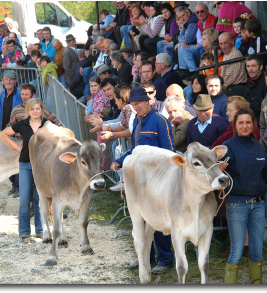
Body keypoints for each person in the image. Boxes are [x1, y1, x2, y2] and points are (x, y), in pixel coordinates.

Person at [110, 86, 175, 274]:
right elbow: (135, 150)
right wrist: (120, 161)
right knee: (142, 220)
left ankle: (165, 259)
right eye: (132, 105)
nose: (135, 107)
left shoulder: (160, 122)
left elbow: (170, 151)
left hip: (158, 180)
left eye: (138, 104)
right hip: (141, 180)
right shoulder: (138, 123)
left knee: (158, 219)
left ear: (147, 102)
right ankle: (146, 258)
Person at [219, 107, 267, 284]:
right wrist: (220, 171)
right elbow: (219, 178)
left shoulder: (258, 147)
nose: (245, 126)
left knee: (257, 250)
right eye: (241, 122)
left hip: (258, 204)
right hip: (237, 204)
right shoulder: (228, 147)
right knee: (237, 250)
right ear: (235, 125)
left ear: (253, 124)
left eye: (248, 122)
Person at [0, 98, 45, 244]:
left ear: (41, 110)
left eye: (37, 109)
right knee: (25, 198)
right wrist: (15, 147)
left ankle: (41, 230)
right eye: (32, 109)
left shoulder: (47, 125)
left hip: (42, 165)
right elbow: (2, 134)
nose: (35, 111)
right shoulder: (22, 124)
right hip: (25, 164)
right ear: (28, 111)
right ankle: (24, 232)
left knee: (40, 199)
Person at [218, 32, 247, 96]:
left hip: (236, 88)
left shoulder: (234, 55)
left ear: (232, 42)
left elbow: (230, 78)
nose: (223, 47)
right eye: (221, 44)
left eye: (225, 43)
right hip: (229, 87)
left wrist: (218, 88)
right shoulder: (227, 53)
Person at [175, 5, 198, 77]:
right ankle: (184, 70)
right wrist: (182, 41)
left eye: (183, 15)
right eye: (179, 17)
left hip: (200, 45)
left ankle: (193, 71)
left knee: (184, 48)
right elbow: (180, 37)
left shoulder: (192, 22)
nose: (182, 19)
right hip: (194, 44)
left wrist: (182, 40)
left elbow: (188, 39)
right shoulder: (186, 21)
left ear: (188, 13)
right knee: (179, 45)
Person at [244, 55, 267, 122]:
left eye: (253, 66)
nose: (250, 69)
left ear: (261, 67)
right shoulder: (248, 82)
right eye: (248, 66)